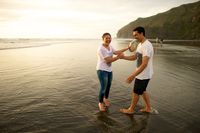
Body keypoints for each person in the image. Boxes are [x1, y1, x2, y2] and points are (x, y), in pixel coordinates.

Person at [119, 26, 154, 114]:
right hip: (141, 73)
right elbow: (135, 57)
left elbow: (144, 64)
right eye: (134, 35)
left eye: (136, 35)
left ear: (142, 33)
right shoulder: (140, 44)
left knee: (136, 92)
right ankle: (148, 108)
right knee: (142, 91)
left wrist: (132, 75)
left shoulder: (147, 46)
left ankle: (131, 110)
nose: (135, 37)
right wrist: (123, 57)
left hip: (144, 74)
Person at [96, 32, 129, 112]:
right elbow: (108, 60)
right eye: (106, 38)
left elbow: (116, 52)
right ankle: (100, 103)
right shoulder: (101, 49)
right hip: (102, 70)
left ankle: (105, 98)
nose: (108, 39)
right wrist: (118, 57)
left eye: (109, 38)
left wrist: (127, 48)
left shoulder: (110, 46)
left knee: (108, 86)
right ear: (103, 39)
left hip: (109, 70)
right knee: (103, 87)